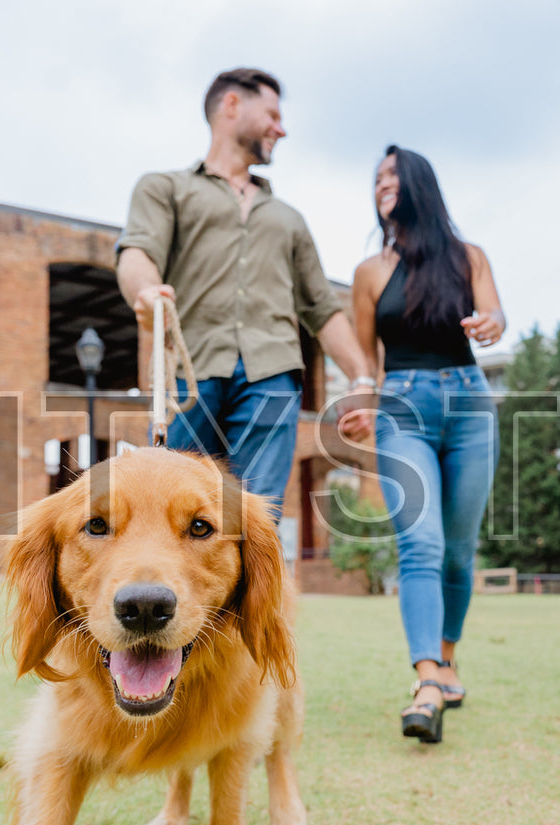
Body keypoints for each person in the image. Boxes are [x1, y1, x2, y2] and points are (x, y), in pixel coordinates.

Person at [115, 67, 374, 515]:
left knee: (255, 519)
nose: (282, 128)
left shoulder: (288, 218)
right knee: (176, 513)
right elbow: (137, 252)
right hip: (190, 374)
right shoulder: (166, 188)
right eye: (272, 114)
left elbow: (322, 307)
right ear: (232, 105)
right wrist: (146, 292)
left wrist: (363, 379)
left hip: (272, 374)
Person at [347, 145, 506, 744]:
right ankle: (427, 681)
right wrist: (360, 400)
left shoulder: (469, 257)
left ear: (418, 184)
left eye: (392, 174)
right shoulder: (369, 273)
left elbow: (493, 313)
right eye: (377, 178)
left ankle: (446, 657)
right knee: (421, 542)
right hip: (402, 406)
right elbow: (366, 359)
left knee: (459, 552)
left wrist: (492, 323)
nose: (383, 183)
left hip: (469, 404)